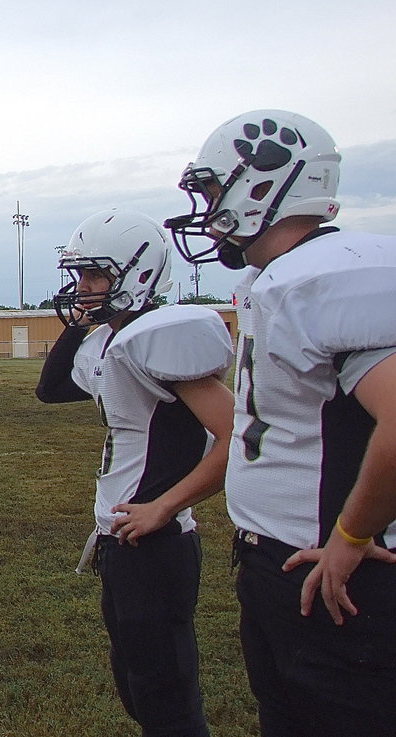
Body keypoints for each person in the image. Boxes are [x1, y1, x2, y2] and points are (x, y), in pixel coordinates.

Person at [166, 109, 396, 735]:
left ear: (263, 182)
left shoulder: (329, 275)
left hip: (335, 577)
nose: (207, 208)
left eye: (214, 190)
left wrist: (350, 538)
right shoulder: (283, 279)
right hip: (280, 567)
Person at [36, 209, 234, 736]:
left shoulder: (157, 334)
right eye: (78, 276)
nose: (83, 288)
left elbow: (239, 434)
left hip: (157, 541)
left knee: (169, 703)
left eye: (95, 276)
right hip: (122, 541)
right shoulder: (111, 340)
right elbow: (52, 389)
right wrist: (79, 324)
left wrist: (166, 506)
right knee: (140, 691)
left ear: (138, 273)